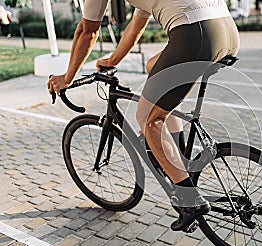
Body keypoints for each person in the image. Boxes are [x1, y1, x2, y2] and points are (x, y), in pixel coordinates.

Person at [47, 0, 240, 232]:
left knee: (149, 118)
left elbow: (87, 30)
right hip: (227, 31)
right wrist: (111, 61)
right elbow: (136, 26)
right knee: (153, 67)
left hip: (196, 33)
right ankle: (177, 153)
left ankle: (190, 202)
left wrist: (67, 78)